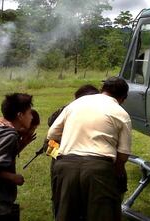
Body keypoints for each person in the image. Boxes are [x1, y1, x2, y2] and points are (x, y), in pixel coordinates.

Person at [47, 77, 131, 221]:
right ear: (123, 98)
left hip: (66, 166)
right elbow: (123, 156)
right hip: (99, 169)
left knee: (66, 215)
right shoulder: (121, 113)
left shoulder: (76, 103)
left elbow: (52, 134)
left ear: (102, 90)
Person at [46, 84, 99, 218]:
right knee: (61, 199)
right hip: (63, 158)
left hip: (88, 162)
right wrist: (58, 157)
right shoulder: (66, 110)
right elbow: (50, 137)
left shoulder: (102, 111)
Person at [0, 93, 34, 221]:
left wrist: (21, 145)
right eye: (29, 113)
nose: (32, 117)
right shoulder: (10, 136)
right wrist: (13, 177)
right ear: (20, 116)